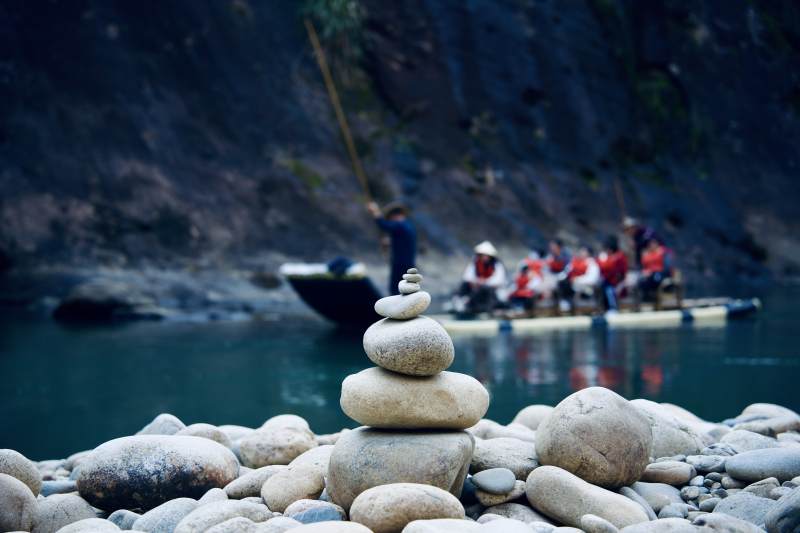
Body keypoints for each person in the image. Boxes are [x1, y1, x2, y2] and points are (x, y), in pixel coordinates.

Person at [368, 201, 416, 295]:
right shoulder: (407, 226)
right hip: (408, 264)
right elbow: (402, 241)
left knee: (396, 290)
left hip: (400, 264)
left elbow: (383, 225)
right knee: (405, 290)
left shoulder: (400, 225)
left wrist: (375, 211)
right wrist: (390, 242)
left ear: (394, 216)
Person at [457, 241, 507, 314]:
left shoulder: (497, 264)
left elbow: (499, 281)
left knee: (486, 290)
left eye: (485, 255)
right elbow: (467, 277)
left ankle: (489, 310)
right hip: (477, 290)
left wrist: (484, 282)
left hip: (492, 293)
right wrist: (477, 281)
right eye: (482, 255)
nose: (484, 257)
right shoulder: (475, 263)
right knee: (465, 286)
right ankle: (463, 305)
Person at [557, 245, 600, 311]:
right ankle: (566, 303)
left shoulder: (592, 263)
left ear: (589, 253)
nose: (581, 253)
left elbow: (592, 279)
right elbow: (566, 272)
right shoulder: (575, 262)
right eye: (581, 251)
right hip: (573, 284)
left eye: (583, 251)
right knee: (563, 283)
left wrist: (577, 279)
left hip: (586, 286)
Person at [597, 235, 628, 310]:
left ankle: (613, 308)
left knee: (610, 290)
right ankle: (604, 308)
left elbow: (618, 270)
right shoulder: (608, 256)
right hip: (608, 280)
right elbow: (602, 269)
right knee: (603, 287)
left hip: (618, 281)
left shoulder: (619, 256)